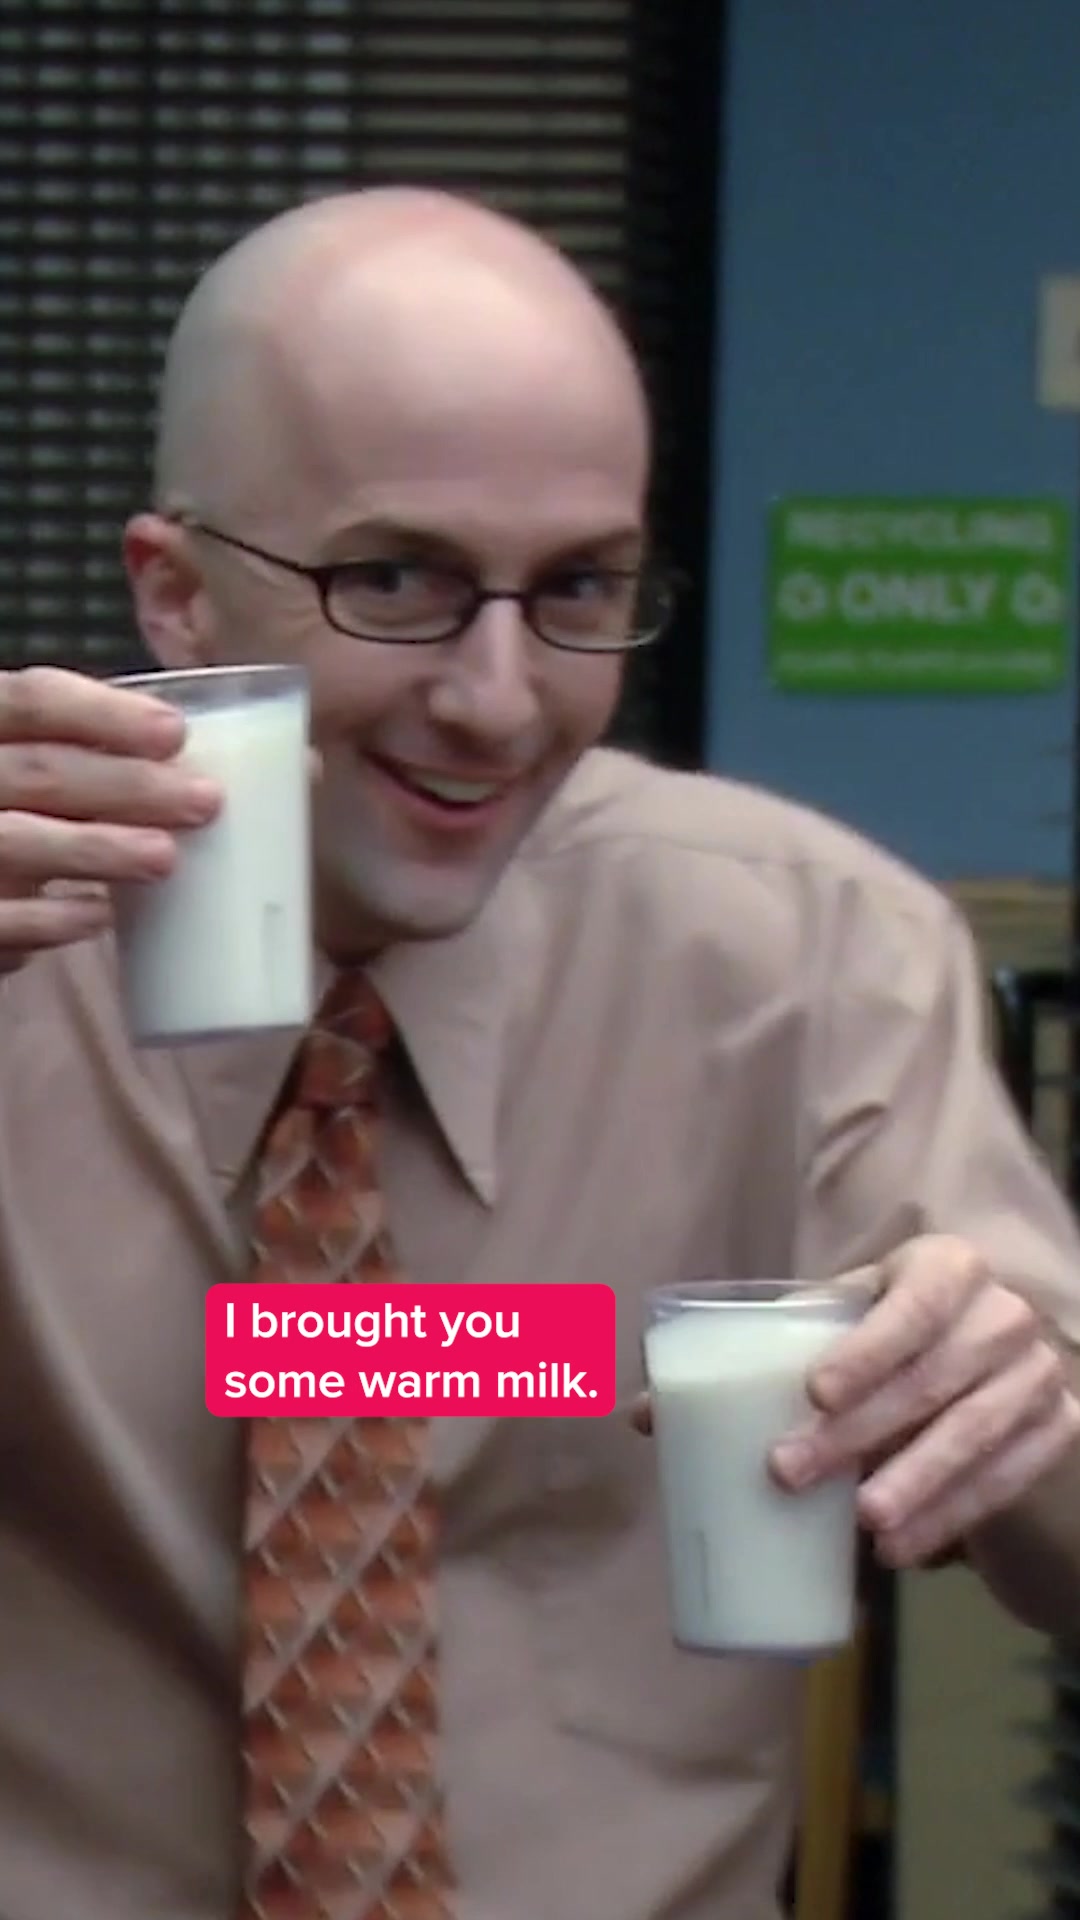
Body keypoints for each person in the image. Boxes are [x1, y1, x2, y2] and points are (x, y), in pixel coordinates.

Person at [1, 185, 1079, 1920]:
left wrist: (1026, 1416)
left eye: (578, 587)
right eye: (396, 579)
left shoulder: (807, 957)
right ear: (178, 596)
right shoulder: (22, 946)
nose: (500, 698)